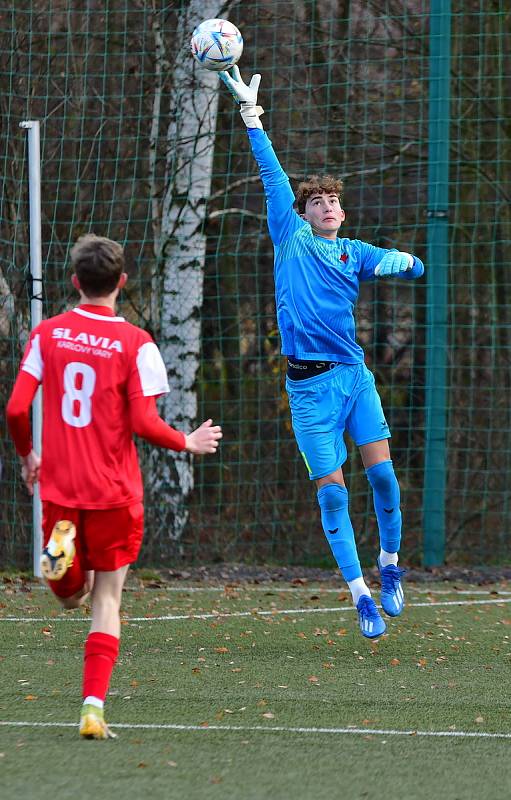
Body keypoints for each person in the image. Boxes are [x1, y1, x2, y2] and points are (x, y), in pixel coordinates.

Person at [219, 67, 424, 639]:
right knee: (333, 494)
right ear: (303, 213)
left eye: (333, 199)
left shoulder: (353, 251)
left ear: (342, 212)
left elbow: (401, 262)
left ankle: (389, 566)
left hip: (354, 379)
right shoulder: (291, 236)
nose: (327, 204)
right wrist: (252, 117)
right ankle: (360, 596)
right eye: (317, 200)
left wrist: (406, 261)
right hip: (308, 389)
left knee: (383, 480)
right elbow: (271, 175)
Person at [6, 234, 222, 738]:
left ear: (75, 282)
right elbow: (144, 423)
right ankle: (92, 708)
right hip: (115, 491)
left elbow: (17, 409)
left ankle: (60, 556)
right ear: (121, 283)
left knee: (67, 596)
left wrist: (28, 456)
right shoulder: (137, 344)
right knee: (105, 600)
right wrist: (187, 442)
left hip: (61, 486)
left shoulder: (48, 334)